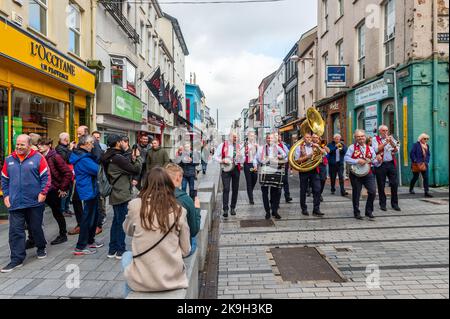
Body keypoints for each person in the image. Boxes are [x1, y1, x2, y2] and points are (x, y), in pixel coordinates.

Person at [121, 167, 191, 294]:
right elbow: (186, 250)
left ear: (146, 184)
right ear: (169, 184)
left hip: (142, 280)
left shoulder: (135, 205)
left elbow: (128, 230)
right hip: (171, 279)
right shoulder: (179, 210)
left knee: (126, 256)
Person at [1, 135, 50, 273]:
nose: (19, 147)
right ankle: (16, 259)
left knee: (35, 228)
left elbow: (46, 177)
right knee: (15, 231)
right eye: (17, 144)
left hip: (34, 201)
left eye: (22, 145)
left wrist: (43, 193)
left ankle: (41, 247)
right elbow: (4, 179)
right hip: (15, 202)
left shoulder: (39, 158)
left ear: (29, 145)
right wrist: (6, 195)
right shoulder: (9, 159)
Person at [101, 135, 143, 259]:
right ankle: (120, 250)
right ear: (117, 143)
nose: (124, 144)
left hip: (115, 192)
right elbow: (135, 170)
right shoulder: (118, 158)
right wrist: (138, 158)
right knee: (121, 222)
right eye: (122, 141)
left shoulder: (107, 156)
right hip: (121, 193)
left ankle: (112, 249)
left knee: (116, 221)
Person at [69, 135, 103, 255]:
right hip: (88, 190)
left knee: (93, 216)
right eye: (91, 143)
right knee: (87, 218)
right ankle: (80, 246)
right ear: (84, 144)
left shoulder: (83, 155)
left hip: (90, 189)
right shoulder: (83, 158)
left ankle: (90, 240)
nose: (93, 146)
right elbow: (97, 170)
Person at [37, 138, 73, 245]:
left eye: (42, 144)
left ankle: (63, 235)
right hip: (44, 189)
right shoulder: (40, 157)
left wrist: (62, 188)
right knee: (39, 212)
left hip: (53, 189)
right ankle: (34, 238)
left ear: (49, 145)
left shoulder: (55, 157)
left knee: (57, 212)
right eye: (39, 144)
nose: (40, 146)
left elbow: (68, 173)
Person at [165, 163, 201, 255]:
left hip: (161, 246)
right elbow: (194, 230)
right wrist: (197, 209)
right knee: (193, 240)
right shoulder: (185, 200)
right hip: (178, 248)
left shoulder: (156, 196)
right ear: (178, 178)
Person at [344, 129, 380, 220]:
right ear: (355, 138)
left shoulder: (370, 148)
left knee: (372, 191)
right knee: (356, 193)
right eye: (358, 137)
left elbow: (375, 162)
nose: (360, 138)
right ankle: (356, 212)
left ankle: (369, 211)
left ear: (365, 137)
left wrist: (378, 160)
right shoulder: (352, 147)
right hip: (355, 174)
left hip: (368, 173)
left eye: (362, 136)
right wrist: (357, 160)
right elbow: (346, 158)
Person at [254, 133, 286, 220]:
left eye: (271, 138)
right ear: (266, 139)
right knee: (264, 192)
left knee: (275, 191)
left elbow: (284, 154)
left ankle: (274, 211)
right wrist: (256, 165)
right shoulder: (261, 148)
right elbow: (256, 158)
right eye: (268, 138)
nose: (269, 140)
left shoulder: (277, 147)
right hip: (265, 170)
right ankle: (267, 212)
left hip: (275, 171)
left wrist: (280, 155)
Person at [372, 125, 401, 212]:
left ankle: (395, 204)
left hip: (391, 163)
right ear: (380, 131)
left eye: (386, 130)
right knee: (381, 185)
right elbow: (375, 150)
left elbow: (396, 150)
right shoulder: (375, 139)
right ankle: (383, 204)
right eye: (383, 130)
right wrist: (385, 143)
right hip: (381, 164)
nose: (385, 132)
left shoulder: (392, 138)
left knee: (394, 184)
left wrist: (391, 142)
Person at [294, 133, 324, 217]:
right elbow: (297, 161)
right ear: (304, 139)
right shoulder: (299, 147)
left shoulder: (315, 146)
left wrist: (318, 146)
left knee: (317, 189)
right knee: (303, 190)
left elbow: (324, 154)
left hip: (314, 170)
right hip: (303, 171)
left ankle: (316, 209)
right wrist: (308, 156)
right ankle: (304, 209)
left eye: (310, 137)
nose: (309, 139)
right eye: (307, 137)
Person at [215, 131, 243, 218]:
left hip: (236, 169)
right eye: (234, 137)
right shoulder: (222, 145)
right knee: (226, 188)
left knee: (235, 189)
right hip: (226, 169)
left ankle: (233, 208)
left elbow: (243, 159)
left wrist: (240, 157)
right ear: (229, 137)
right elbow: (215, 156)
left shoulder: (239, 146)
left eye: (236, 137)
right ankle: (225, 209)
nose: (236, 139)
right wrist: (222, 160)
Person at [55, 132, 76, 217]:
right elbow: (66, 159)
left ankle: (66, 208)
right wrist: (70, 149)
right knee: (65, 193)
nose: (68, 140)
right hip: (63, 174)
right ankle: (62, 210)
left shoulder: (65, 147)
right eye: (66, 139)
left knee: (70, 191)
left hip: (68, 174)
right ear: (62, 140)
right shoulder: (59, 148)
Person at [410, 133, 433, 198]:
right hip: (416, 164)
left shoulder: (427, 146)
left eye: (427, 139)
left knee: (426, 177)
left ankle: (426, 192)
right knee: (415, 177)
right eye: (425, 139)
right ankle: (411, 188)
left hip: (424, 164)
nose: (426, 140)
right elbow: (412, 153)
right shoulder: (416, 145)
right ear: (421, 139)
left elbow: (428, 154)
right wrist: (415, 160)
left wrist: (426, 162)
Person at [242, 130, 259, 205]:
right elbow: (241, 155)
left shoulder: (256, 145)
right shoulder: (244, 145)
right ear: (248, 136)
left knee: (254, 179)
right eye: (250, 136)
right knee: (249, 182)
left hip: (254, 165)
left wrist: (256, 165)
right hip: (247, 165)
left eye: (253, 136)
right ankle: (251, 199)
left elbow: (257, 156)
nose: (252, 137)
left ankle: (250, 191)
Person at [312, 134, 329, 202]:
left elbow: (328, 151)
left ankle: (319, 194)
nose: (315, 139)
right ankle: (316, 195)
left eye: (317, 137)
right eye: (314, 137)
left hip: (322, 164)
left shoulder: (321, 143)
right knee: (314, 181)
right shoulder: (310, 144)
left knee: (323, 179)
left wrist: (322, 145)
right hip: (313, 165)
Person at [277, 133, 293, 203]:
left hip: (284, 165)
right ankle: (276, 200)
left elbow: (288, 154)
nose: (279, 139)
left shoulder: (284, 146)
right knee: (278, 183)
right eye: (277, 137)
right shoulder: (273, 146)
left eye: (280, 137)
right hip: (277, 166)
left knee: (285, 181)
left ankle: (287, 196)